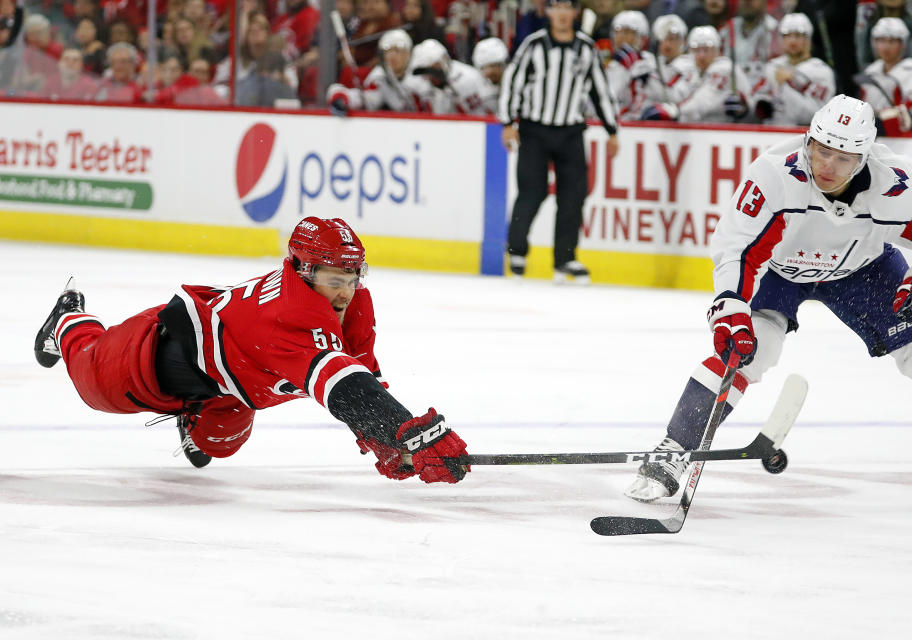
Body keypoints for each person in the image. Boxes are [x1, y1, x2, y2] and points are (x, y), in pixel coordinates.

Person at [625, 95, 912, 502]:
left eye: (842, 157)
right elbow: (736, 246)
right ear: (808, 140)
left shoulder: (897, 184)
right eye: (821, 151)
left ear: (865, 155)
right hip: (780, 269)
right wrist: (730, 308)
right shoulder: (774, 174)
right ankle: (674, 449)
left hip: (863, 268)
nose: (826, 166)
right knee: (751, 350)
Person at [33, 217, 470, 484]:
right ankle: (69, 319)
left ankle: (196, 412)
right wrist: (408, 431)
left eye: (352, 278)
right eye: (335, 280)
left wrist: (383, 438)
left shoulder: (352, 303)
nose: (345, 292)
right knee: (90, 382)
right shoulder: (290, 314)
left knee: (220, 446)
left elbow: (361, 376)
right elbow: (341, 382)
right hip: (155, 356)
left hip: (233, 383)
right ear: (303, 271)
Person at [499, 0, 620, 284]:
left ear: (575, 13)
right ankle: (517, 251)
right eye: (558, 7)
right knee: (532, 190)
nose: (563, 14)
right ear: (550, 12)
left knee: (573, 196)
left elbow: (600, 91)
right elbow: (513, 81)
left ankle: (565, 258)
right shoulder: (534, 45)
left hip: (570, 132)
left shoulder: (586, 48)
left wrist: (612, 130)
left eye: (568, 8)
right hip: (534, 129)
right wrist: (508, 122)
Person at [642, 25, 752, 123]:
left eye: (706, 50)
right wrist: (651, 82)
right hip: (701, 134)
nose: (701, 56)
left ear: (718, 50)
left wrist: (676, 112)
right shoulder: (693, 71)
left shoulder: (725, 69)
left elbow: (702, 104)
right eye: (696, 50)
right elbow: (677, 95)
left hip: (725, 134)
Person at [751, 12, 835, 126]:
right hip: (771, 135)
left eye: (798, 35)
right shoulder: (772, 67)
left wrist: (785, 86)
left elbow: (813, 115)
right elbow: (756, 104)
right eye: (787, 35)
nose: (792, 41)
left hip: (803, 137)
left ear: (808, 38)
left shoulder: (821, 72)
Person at [326, 28, 422, 114]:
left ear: (409, 54)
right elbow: (365, 98)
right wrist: (343, 98)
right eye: (388, 51)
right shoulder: (377, 78)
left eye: (398, 50)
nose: (392, 56)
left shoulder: (420, 79)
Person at [856, 17, 912, 136]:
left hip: (903, 136)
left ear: (903, 44)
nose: (886, 47)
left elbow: (911, 111)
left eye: (892, 41)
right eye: (881, 41)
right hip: (871, 134)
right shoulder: (870, 71)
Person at [605, 10, 662, 121]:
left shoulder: (651, 63)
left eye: (627, 32)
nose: (620, 37)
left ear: (642, 37)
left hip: (644, 125)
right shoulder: (611, 64)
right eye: (617, 31)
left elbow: (661, 97)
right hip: (615, 122)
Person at [408, 38, 486, 115]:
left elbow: (482, 115)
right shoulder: (419, 83)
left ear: (444, 59)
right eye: (425, 70)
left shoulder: (469, 77)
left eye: (434, 67)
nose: (431, 75)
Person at [472, 36, 509, 114]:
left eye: (492, 66)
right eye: (483, 68)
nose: (488, 72)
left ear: (503, 64)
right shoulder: (477, 88)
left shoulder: (517, 84)